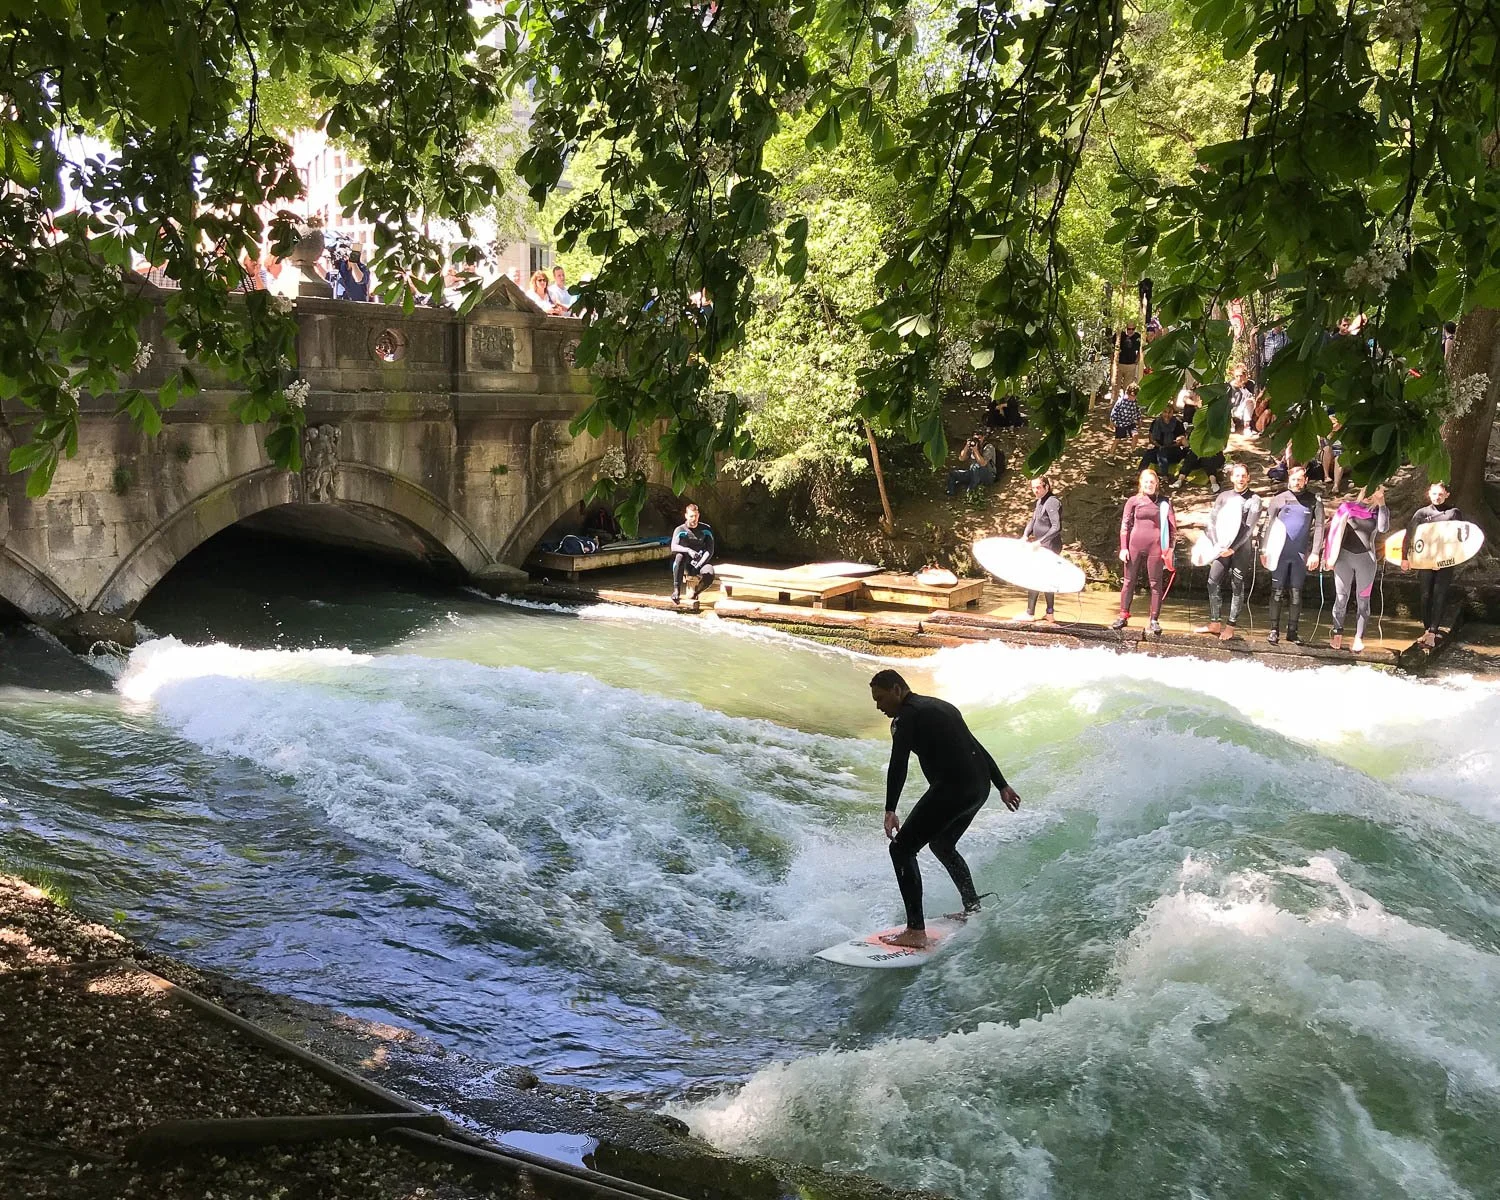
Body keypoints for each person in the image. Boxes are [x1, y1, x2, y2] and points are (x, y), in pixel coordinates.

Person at [868, 669, 1021, 949]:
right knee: (942, 844)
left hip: (953, 789)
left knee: (901, 850)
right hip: (978, 787)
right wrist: (1001, 784)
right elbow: (975, 745)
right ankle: (972, 907)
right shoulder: (941, 706)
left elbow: (899, 762)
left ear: (897, 690)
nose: (878, 706)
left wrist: (890, 808)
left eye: (880, 698)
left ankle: (915, 931)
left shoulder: (906, 717)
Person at [1195, 463, 1261, 640]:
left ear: (1248, 478)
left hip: (1241, 549)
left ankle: (1230, 626)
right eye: (1237, 475)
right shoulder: (1223, 496)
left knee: (1237, 585)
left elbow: (1249, 529)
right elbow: (1212, 522)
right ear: (1232, 478)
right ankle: (1215, 622)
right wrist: (1217, 545)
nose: (1240, 479)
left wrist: (1233, 548)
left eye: (1243, 475)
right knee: (1212, 581)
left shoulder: (1254, 500)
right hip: (1221, 547)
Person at [1263, 465, 1325, 645]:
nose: (1297, 482)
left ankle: (1292, 631)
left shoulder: (1314, 500)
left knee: (1296, 593)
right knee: (1277, 591)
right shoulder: (1278, 499)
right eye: (1293, 479)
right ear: (1288, 480)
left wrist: (1315, 552)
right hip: (1279, 553)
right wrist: (1263, 550)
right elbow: (1268, 525)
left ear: (1306, 480)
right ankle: (1274, 630)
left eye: (1300, 479)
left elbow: (1320, 527)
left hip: (1300, 554)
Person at [1112, 469, 1177, 636]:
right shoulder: (1133, 501)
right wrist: (1123, 547)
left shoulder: (1164, 502)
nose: (1149, 485)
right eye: (1146, 481)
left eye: (1152, 482)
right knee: (1128, 581)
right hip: (1134, 545)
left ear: (1156, 484)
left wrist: (1169, 549)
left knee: (1155, 583)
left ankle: (1154, 619)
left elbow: (1173, 529)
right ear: (1141, 483)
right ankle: (1123, 615)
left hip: (1156, 547)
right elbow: (1125, 525)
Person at [1401, 481, 1464, 648]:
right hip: (1426, 560)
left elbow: (1458, 538)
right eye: (1434, 494)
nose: (1437, 497)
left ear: (1447, 495)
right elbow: (1409, 535)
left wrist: (1449, 558)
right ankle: (1427, 629)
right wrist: (1404, 558)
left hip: (1445, 561)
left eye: (1441, 494)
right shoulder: (1422, 513)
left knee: (1439, 595)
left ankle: (1433, 632)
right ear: (1429, 494)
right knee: (1425, 596)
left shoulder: (1453, 513)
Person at [1328, 486, 1389, 653]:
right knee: (1341, 597)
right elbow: (1333, 533)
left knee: (1363, 600)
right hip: (1343, 559)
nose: (1369, 496)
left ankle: (1359, 638)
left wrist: (1382, 504)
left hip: (1366, 560)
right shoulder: (1347, 507)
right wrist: (1329, 557)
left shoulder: (1379, 511)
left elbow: (1383, 528)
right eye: (1367, 491)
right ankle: (1337, 633)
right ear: (1362, 491)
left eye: (1374, 493)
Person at [1013, 476, 1062, 624]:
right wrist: (1025, 535)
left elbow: (1056, 527)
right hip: (1041, 545)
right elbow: (1033, 520)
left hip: (1050, 546)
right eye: (1033, 487)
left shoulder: (1052, 502)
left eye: (1038, 487)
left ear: (1047, 486)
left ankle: (1030, 613)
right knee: (1045, 579)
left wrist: (1041, 542)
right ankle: (1049, 613)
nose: (1035, 490)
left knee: (1035, 577)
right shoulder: (1040, 501)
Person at [669, 503, 715, 604]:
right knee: (679, 557)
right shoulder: (680, 530)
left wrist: (699, 564)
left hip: (700, 562)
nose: (694, 519)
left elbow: (710, 550)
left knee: (710, 573)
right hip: (686, 562)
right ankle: (676, 590)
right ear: (686, 516)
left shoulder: (706, 529)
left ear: (698, 515)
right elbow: (673, 547)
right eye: (691, 516)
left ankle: (696, 592)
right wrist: (688, 550)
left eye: (696, 516)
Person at [1140, 404, 1188, 480]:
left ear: (1173, 413)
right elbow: (1151, 439)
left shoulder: (1178, 423)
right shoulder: (1156, 423)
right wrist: (1159, 446)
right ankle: (1139, 473)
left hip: (1174, 451)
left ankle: (1164, 475)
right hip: (1159, 448)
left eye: (1169, 412)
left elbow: (1182, 440)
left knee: (1163, 451)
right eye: (1165, 412)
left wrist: (1170, 446)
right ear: (1162, 412)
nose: (1167, 415)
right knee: (1149, 454)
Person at [1113, 320, 1142, 392]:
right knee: (1116, 386)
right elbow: (1112, 347)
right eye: (1129, 329)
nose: (1131, 331)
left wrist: (1137, 359)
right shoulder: (1120, 335)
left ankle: (1125, 399)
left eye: (1133, 329)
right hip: (1119, 364)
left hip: (1131, 365)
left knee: (1127, 387)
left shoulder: (1137, 337)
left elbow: (1140, 349)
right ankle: (1115, 399)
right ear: (1126, 328)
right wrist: (1113, 361)